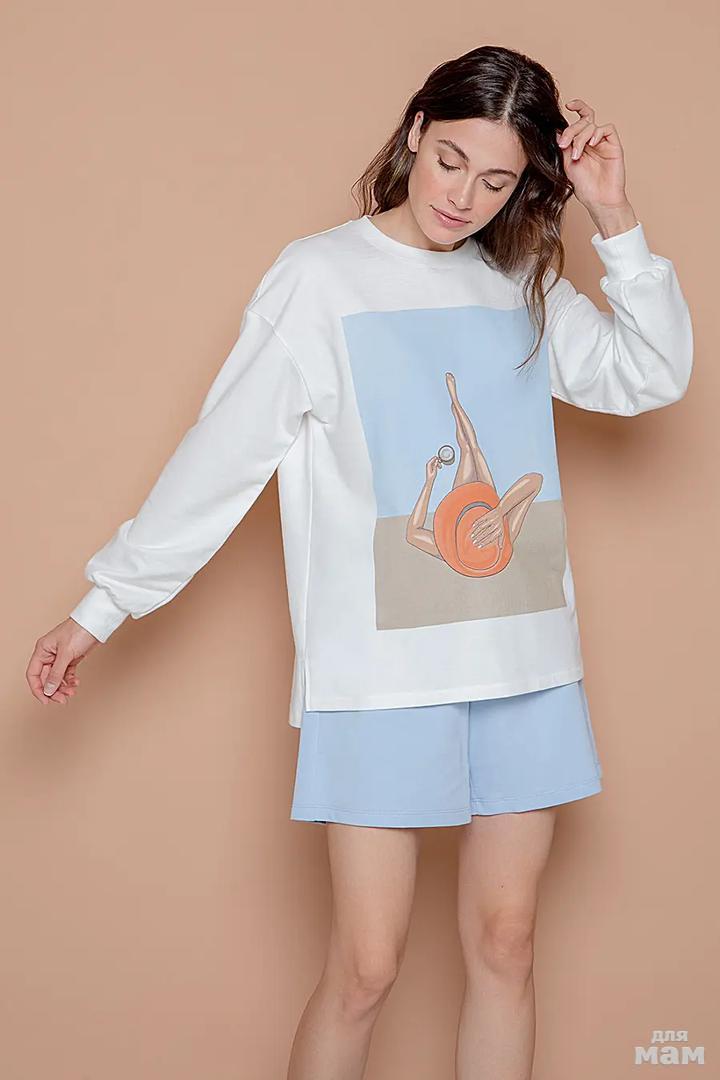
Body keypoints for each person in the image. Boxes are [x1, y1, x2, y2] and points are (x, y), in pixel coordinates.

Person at [26, 44, 693, 1080]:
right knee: (367, 969)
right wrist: (102, 607)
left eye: (498, 180)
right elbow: (220, 457)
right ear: (416, 131)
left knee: (506, 946)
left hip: (525, 660)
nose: (464, 197)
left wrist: (615, 217)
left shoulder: (519, 278)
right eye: (451, 161)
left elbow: (650, 375)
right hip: (381, 674)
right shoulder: (318, 278)